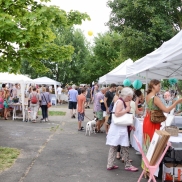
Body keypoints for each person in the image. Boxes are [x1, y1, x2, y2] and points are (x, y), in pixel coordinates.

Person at [142, 79, 182, 173]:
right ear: (153, 86)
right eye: (158, 86)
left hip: (147, 120)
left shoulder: (148, 96)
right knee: (153, 145)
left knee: (147, 145)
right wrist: (176, 102)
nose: (160, 88)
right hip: (153, 122)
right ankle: (150, 170)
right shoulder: (155, 98)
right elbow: (166, 110)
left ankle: (146, 169)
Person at [106, 87, 138, 171]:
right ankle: (127, 165)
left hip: (117, 128)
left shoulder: (120, 101)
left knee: (114, 146)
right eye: (130, 96)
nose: (131, 98)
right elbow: (117, 113)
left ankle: (110, 164)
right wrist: (127, 110)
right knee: (124, 146)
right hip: (120, 128)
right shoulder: (120, 102)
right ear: (127, 96)